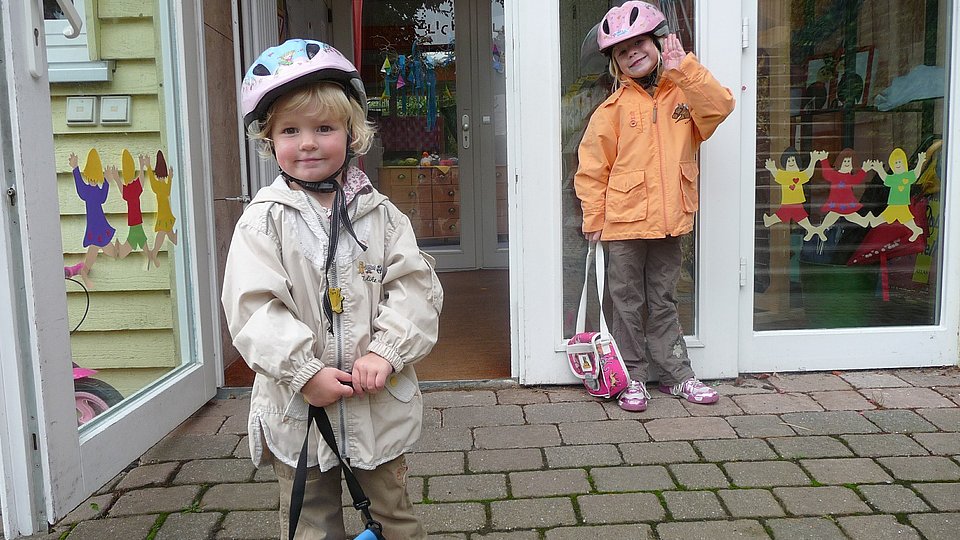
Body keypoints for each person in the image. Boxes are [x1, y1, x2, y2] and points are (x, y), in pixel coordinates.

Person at [221, 39, 442, 539]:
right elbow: (253, 308)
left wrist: (386, 351)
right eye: (291, 130)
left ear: (352, 132)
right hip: (299, 411)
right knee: (310, 524)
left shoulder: (381, 215)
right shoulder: (263, 222)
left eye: (325, 128)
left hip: (376, 404)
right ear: (269, 140)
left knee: (393, 518)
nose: (308, 143)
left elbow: (416, 289)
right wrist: (303, 371)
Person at [574, 1, 735, 412]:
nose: (633, 52)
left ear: (658, 43)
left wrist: (685, 67)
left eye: (640, 42)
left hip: (669, 220)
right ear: (615, 62)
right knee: (626, 300)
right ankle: (631, 376)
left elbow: (720, 106)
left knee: (663, 298)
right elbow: (592, 167)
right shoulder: (611, 111)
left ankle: (676, 374)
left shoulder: (685, 93)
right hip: (624, 224)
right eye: (622, 50)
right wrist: (593, 217)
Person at [762, 147, 827, 241]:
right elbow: (777, 174)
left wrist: (813, 161)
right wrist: (772, 168)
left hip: (796, 203)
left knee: (790, 215)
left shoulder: (798, 175)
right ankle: (812, 230)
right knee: (791, 216)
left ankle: (811, 230)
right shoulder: (784, 175)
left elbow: (808, 174)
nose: (791, 162)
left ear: (797, 161)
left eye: (793, 160)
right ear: (785, 162)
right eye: (789, 160)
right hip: (788, 202)